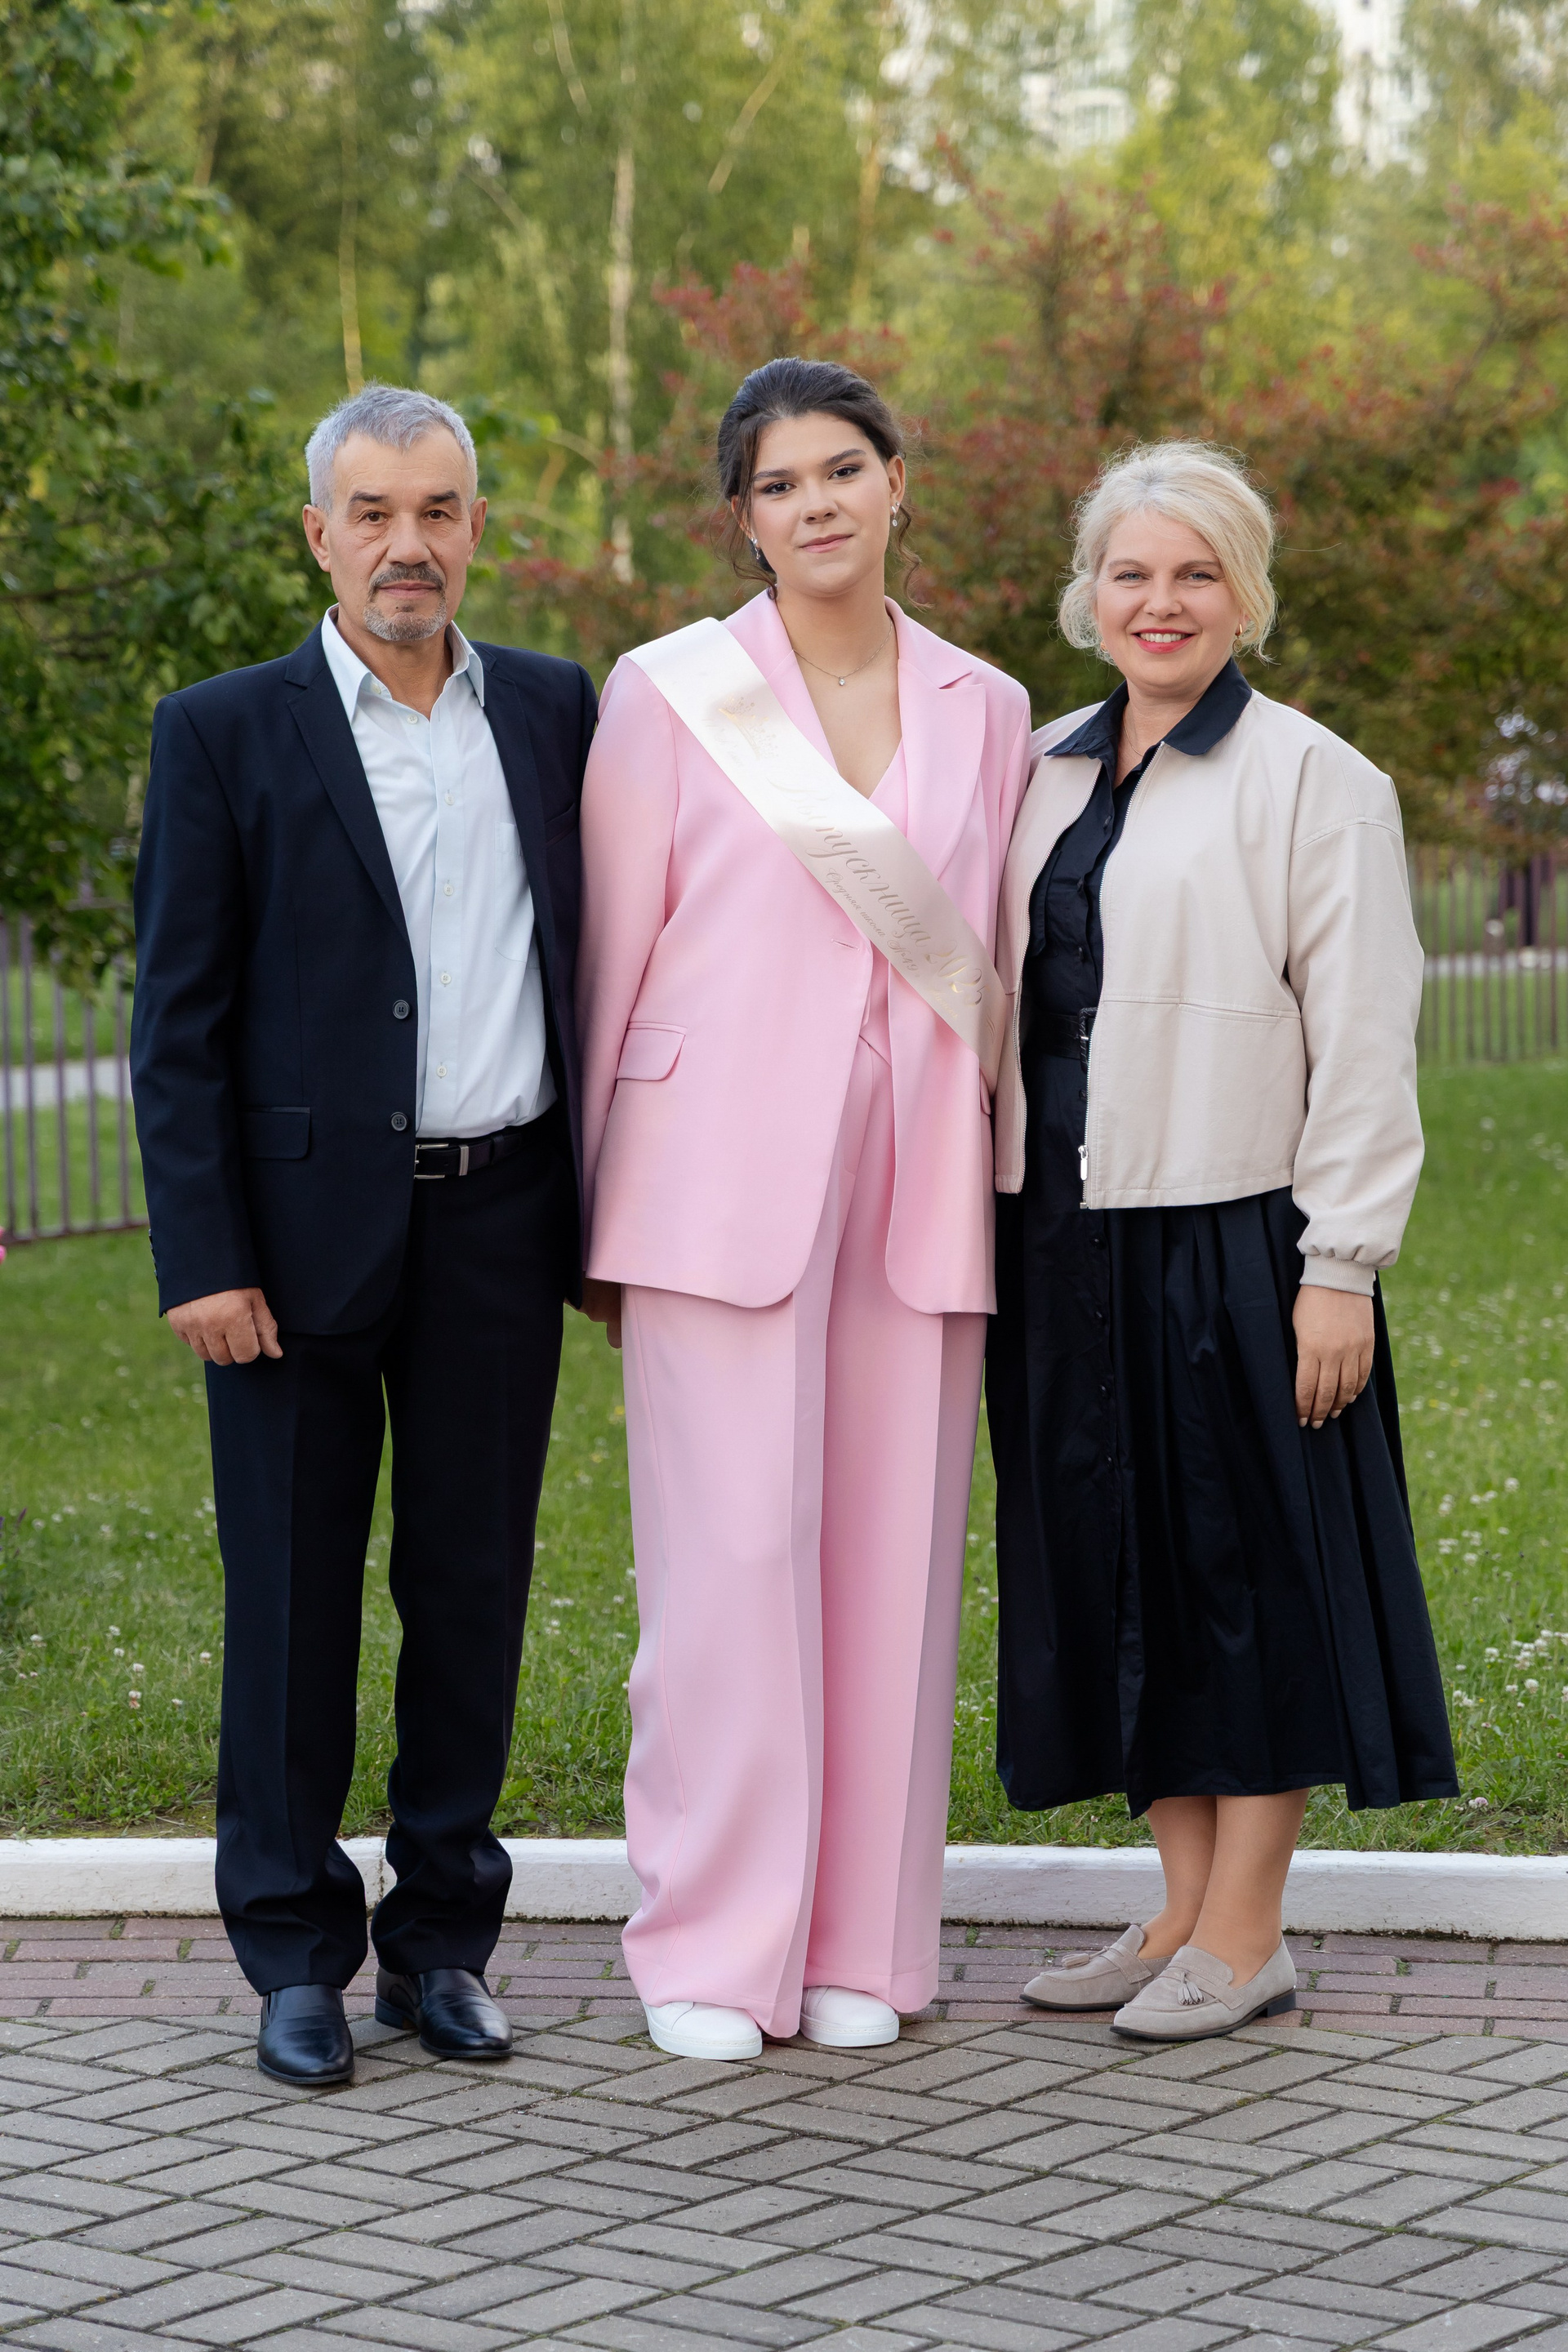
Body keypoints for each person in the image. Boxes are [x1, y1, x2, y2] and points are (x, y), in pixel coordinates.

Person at [131, 385, 595, 2087]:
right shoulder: (222, 730)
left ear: (477, 529)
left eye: (440, 510)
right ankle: (295, 1955)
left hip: (502, 1222)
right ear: (319, 533)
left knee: (471, 1591)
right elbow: (177, 1021)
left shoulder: (553, 709)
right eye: (377, 513)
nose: (411, 544)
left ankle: (444, 1943)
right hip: (287, 1245)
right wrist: (203, 1254)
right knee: (291, 1602)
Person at [577, 358, 1031, 2061]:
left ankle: (859, 1945)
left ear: (900, 483)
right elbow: (611, 954)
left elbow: (995, 956)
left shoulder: (990, 705)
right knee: (731, 1568)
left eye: (845, 468)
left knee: (893, 1574)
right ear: (744, 518)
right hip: (710, 1184)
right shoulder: (670, 692)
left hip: (916, 1184)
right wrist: (592, 1224)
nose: (817, 503)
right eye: (780, 483)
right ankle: (711, 1947)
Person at [987, 441, 1457, 2042]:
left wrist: (1342, 1268)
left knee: (1246, 1576)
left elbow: (1368, 1040)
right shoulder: (1043, 769)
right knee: (1121, 1575)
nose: (1161, 601)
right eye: (1132, 572)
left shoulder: (1318, 780)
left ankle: (1250, 1934)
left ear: (1245, 593)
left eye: (1196, 573)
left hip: (1236, 1231)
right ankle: (1181, 1912)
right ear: (1090, 594)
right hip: (1061, 1234)